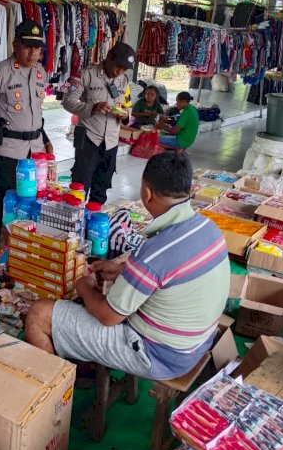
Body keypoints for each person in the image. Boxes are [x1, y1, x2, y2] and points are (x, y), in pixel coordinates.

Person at [25, 152, 230, 380]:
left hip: (159, 355)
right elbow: (172, 274)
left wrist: (82, 285)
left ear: (146, 193)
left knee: (38, 313)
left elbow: (107, 316)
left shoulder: (153, 253)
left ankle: (51, 397)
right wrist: (123, 271)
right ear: (187, 189)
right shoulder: (208, 227)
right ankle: (81, 364)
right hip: (197, 343)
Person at [0, 20, 49, 251]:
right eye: (28, 47)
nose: (33, 52)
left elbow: (37, 111)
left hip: (34, 148)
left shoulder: (40, 73)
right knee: (5, 197)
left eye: (37, 48)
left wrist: (45, 140)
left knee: (30, 199)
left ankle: (22, 245)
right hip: (8, 148)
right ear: (15, 44)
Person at [62, 42, 136, 204]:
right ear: (109, 57)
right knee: (80, 186)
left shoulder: (123, 81)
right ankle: (75, 221)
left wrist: (125, 115)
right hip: (88, 139)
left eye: (124, 69)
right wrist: (92, 107)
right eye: (118, 66)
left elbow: (128, 109)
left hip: (111, 142)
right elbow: (67, 101)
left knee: (101, 187)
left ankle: (93, 223)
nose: (120, 72)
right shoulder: (86, 75)